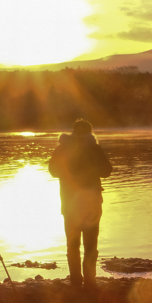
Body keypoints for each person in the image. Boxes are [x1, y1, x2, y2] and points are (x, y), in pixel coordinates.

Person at [48, 119, 113, 289]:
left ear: (73, 132)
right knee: (91, 245)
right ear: (90, 133)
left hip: (69, 204)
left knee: (73, 244)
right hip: (91, 204)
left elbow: (53, 171)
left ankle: (76, 282)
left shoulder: (62, 149)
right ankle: (90, 282)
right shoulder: (95, 149)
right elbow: (107, 171)